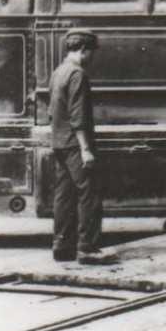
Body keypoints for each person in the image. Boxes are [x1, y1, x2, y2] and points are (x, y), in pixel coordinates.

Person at [49, 29, 108, 264]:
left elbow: (52, 110)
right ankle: (88, 249)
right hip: (75, 143)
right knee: (89, 192)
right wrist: (85, 148)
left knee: (64, 195)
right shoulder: (78, 74)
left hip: (60, 141)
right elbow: (78, 115)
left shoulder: (58, 72)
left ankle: (62, 247)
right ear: (84, 50)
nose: (93, 57)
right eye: (92, 52)